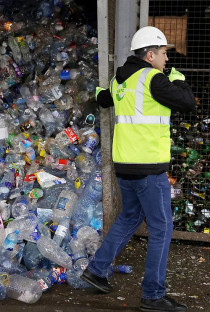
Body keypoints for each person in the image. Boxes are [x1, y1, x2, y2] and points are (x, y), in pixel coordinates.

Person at [80, 26, 196, 312]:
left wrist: (101, 92)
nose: (167, 59)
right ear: (150, 54)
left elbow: (103, 98)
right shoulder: (153, 78)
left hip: (125, 166)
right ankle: (153, 296)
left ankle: (97, 270)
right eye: (164, 53)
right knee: (161, 229)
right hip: (148, 168)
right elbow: (188, 102)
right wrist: (178, 78)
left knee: (130, 216)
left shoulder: (120, 79)